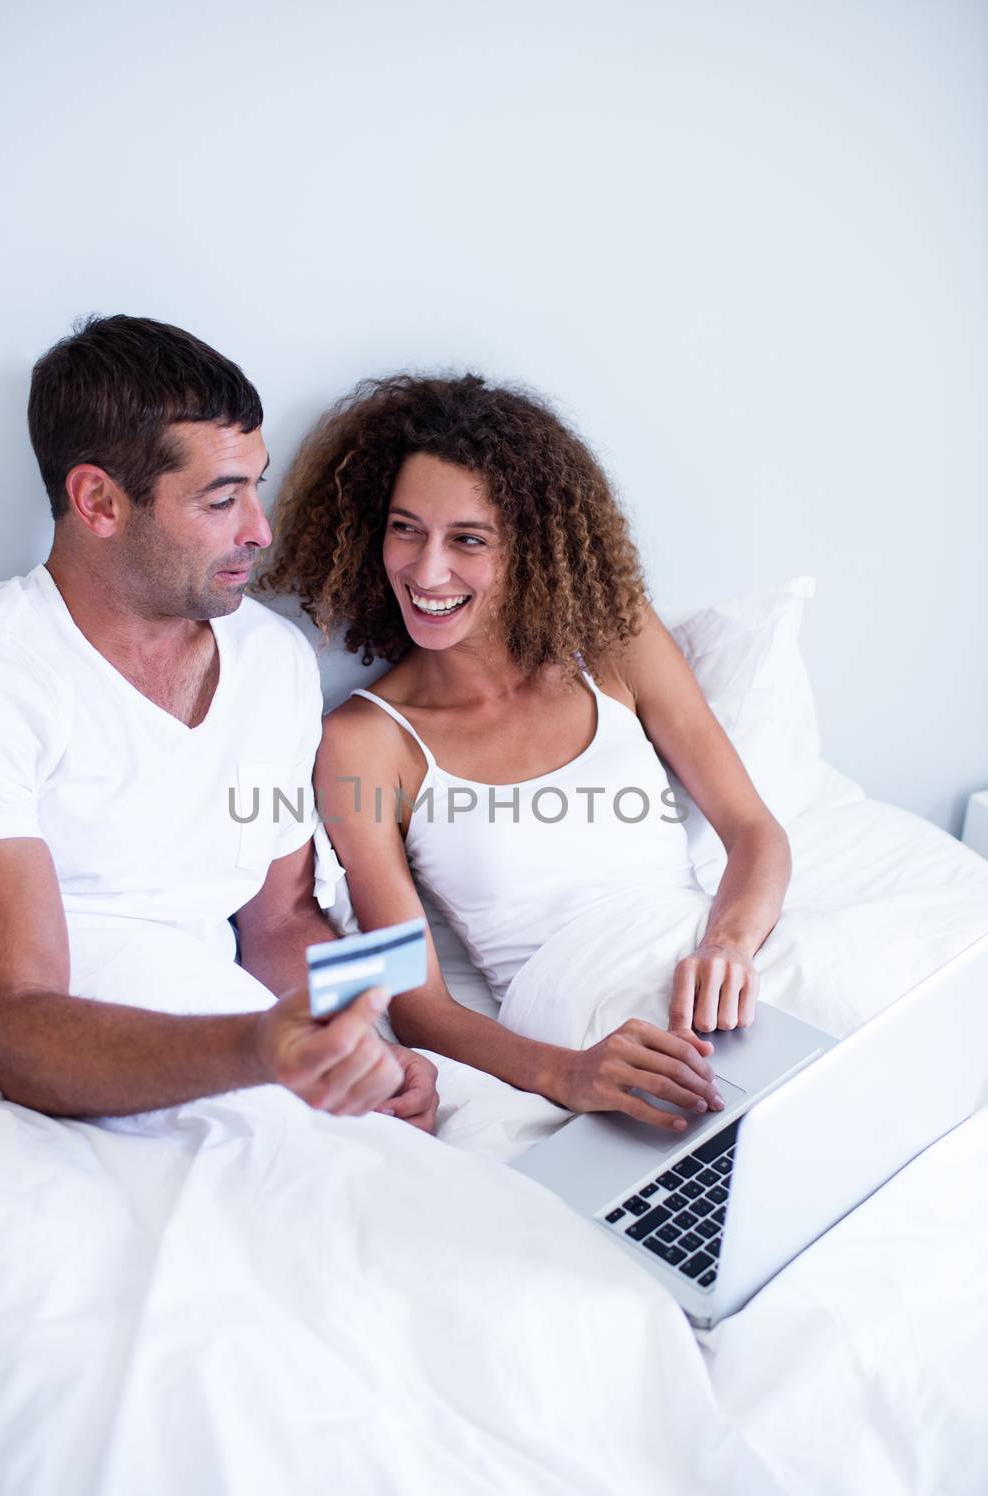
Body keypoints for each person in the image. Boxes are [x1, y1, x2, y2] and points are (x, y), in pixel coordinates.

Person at [0, 316, 438, 1132]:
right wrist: (261, 1049)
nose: (259, 530)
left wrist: (356, 1042)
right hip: (36, 1092)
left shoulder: (272, 663)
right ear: (98, 501)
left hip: (228, 1041)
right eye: (220, 498)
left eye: (255, 487)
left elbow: (277, 923)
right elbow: (17, 1028)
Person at [260, 373, 792, 1134]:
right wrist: (564, 1073)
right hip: (580, 1020)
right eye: (405, 528)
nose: (425, 569)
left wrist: (728, 946)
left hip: (716, 969)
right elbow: (416, 1001)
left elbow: (753, 830)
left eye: (467, 539)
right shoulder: (364, 742)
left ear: (531, 547)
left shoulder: (615, 641)